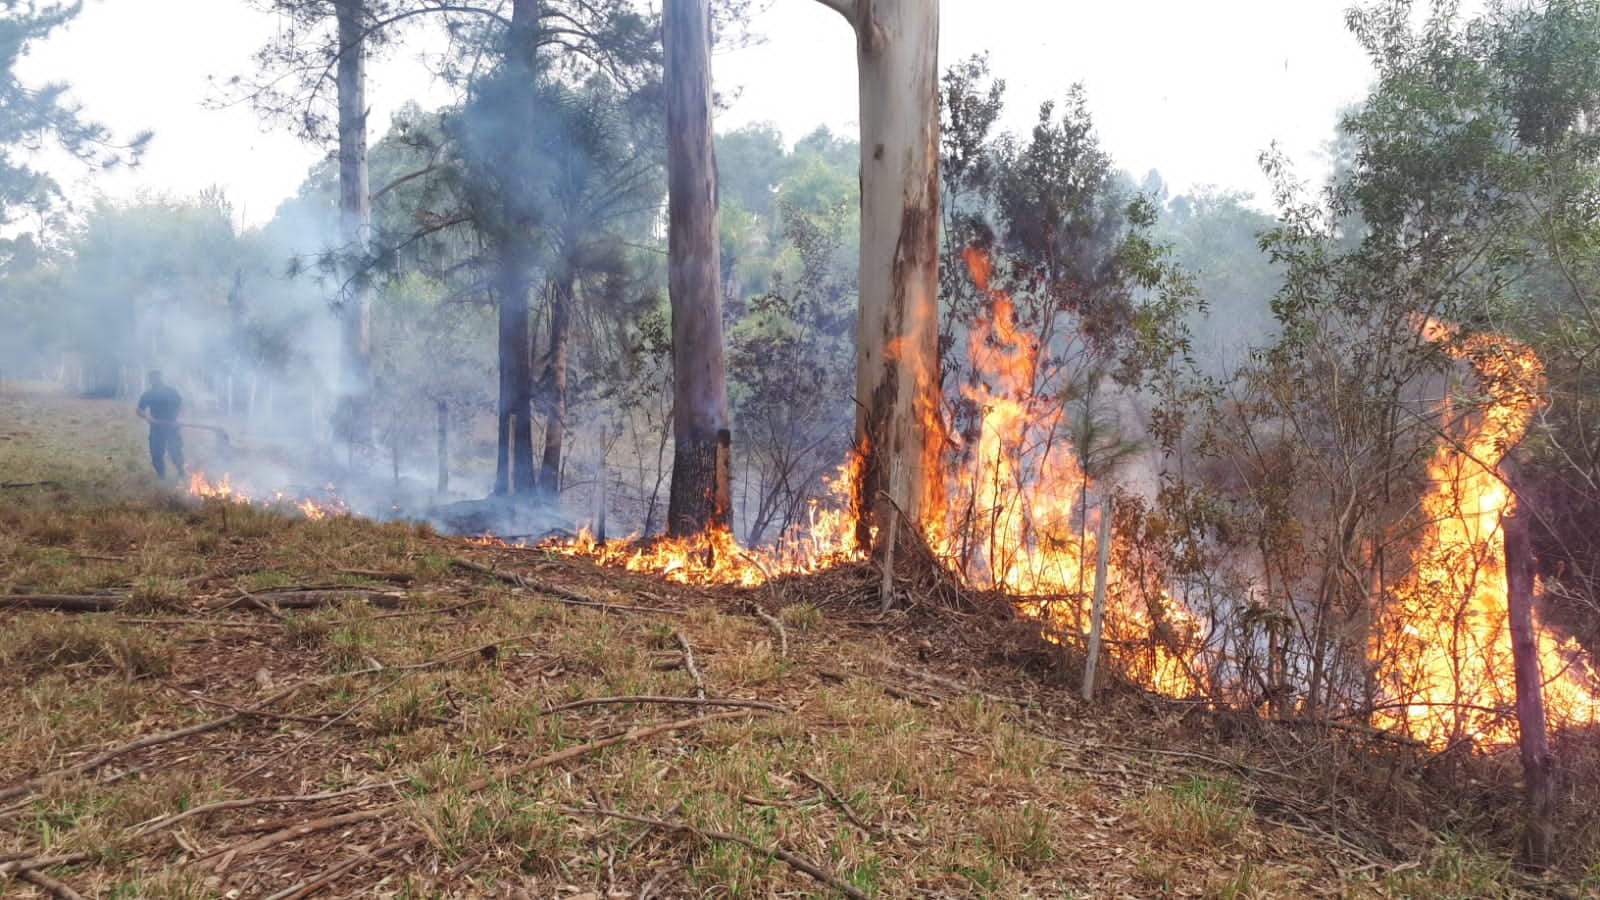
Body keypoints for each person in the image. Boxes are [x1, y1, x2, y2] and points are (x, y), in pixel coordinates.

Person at [136, 370, 185, 478]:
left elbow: (181, 405)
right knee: (156, 455)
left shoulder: (171, 391)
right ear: (150, 381)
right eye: (153, 379)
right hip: (156, 428)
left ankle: (181, 472)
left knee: (176, 452)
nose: (156, 381)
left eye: (157, 378)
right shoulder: (148, 394)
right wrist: (148, 417)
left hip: (172, 427)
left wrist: (179, 418)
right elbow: (139, 410)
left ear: (161, 378)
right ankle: (162, 477)